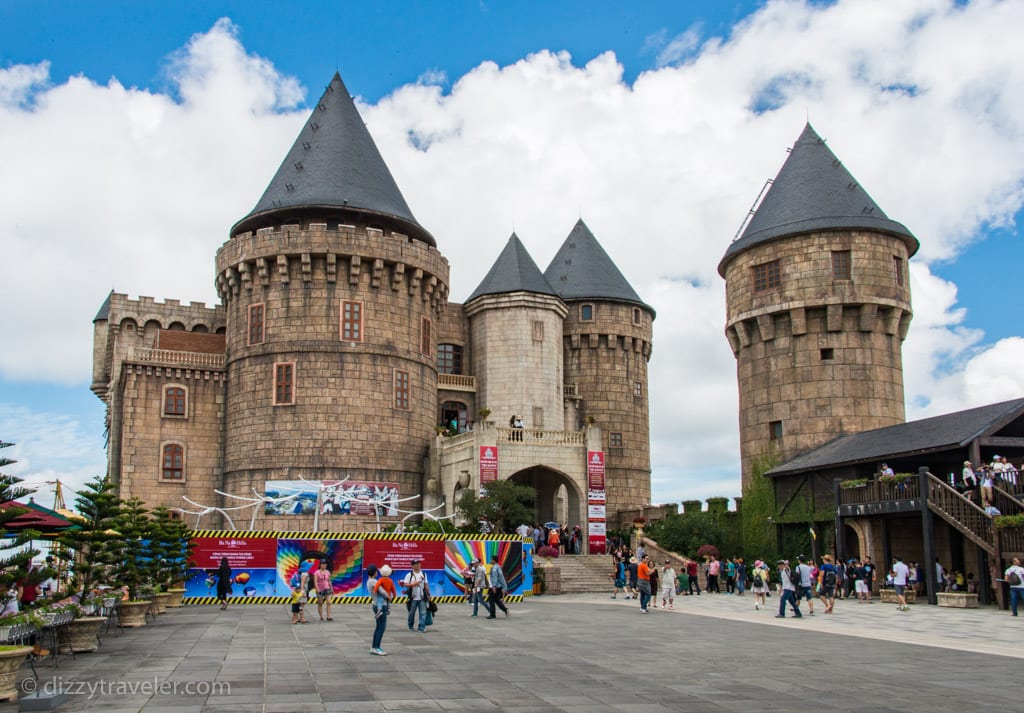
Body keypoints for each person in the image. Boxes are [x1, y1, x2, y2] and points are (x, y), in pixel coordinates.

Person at [371, 564, 396, 655]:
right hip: (382, 604)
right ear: (374, 573)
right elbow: (383, 591)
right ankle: (376, 648)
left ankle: (374, 647)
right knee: (381, 627)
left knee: (378, 627)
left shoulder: (371, 581)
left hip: (375, 604)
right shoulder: (375, 581)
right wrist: (390, 596)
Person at [401, 560, 430, 632]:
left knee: (423, 613)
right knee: (411, 613)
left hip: (422, 596)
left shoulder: (423, 574)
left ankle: (421, 628)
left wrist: (428, 593)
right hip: (412, 597)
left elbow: (426, 584)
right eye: (416, 564)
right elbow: (405, 584)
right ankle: (410, 626)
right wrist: (413, 584)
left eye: (419, 564)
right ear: (412, 566)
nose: (418, 565)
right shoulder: (409, 575)